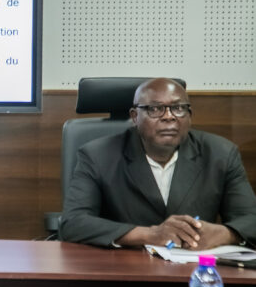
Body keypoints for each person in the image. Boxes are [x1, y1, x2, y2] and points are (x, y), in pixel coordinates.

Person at [60, 77, 256, 249]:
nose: (169, 116)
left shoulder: (220, 154)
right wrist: (150, 235)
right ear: (135, 117)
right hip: (124, 266)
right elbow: (73, 223)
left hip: (194, 268)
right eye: (155, 109)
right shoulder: (98, 156)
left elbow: (251, 219)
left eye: (178, 108)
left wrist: (223, 234)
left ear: (189, 116)